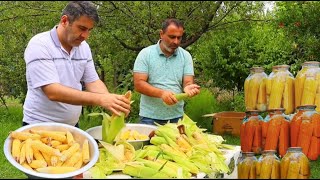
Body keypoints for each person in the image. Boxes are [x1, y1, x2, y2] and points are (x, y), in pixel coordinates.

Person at [23, 1, 131, 127]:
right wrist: (101, 99)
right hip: (39, 125)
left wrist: (112, 101)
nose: (85, 36)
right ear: (64, 21)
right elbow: (53, 91)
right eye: (82, 28)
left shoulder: (83, 47)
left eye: (89, 30)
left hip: (72, 125)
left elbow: (92, 81)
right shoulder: (40, 44)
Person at [133, 18, 200, 125]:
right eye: (172, 37)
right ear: (161, 34)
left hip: (177, 117)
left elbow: (188, 82)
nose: (176, 42)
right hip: (149, 117)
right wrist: (162, 94)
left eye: (179, 38)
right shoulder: (145, 54)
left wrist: (188, 88)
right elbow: (138, 84)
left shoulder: (186, 56)